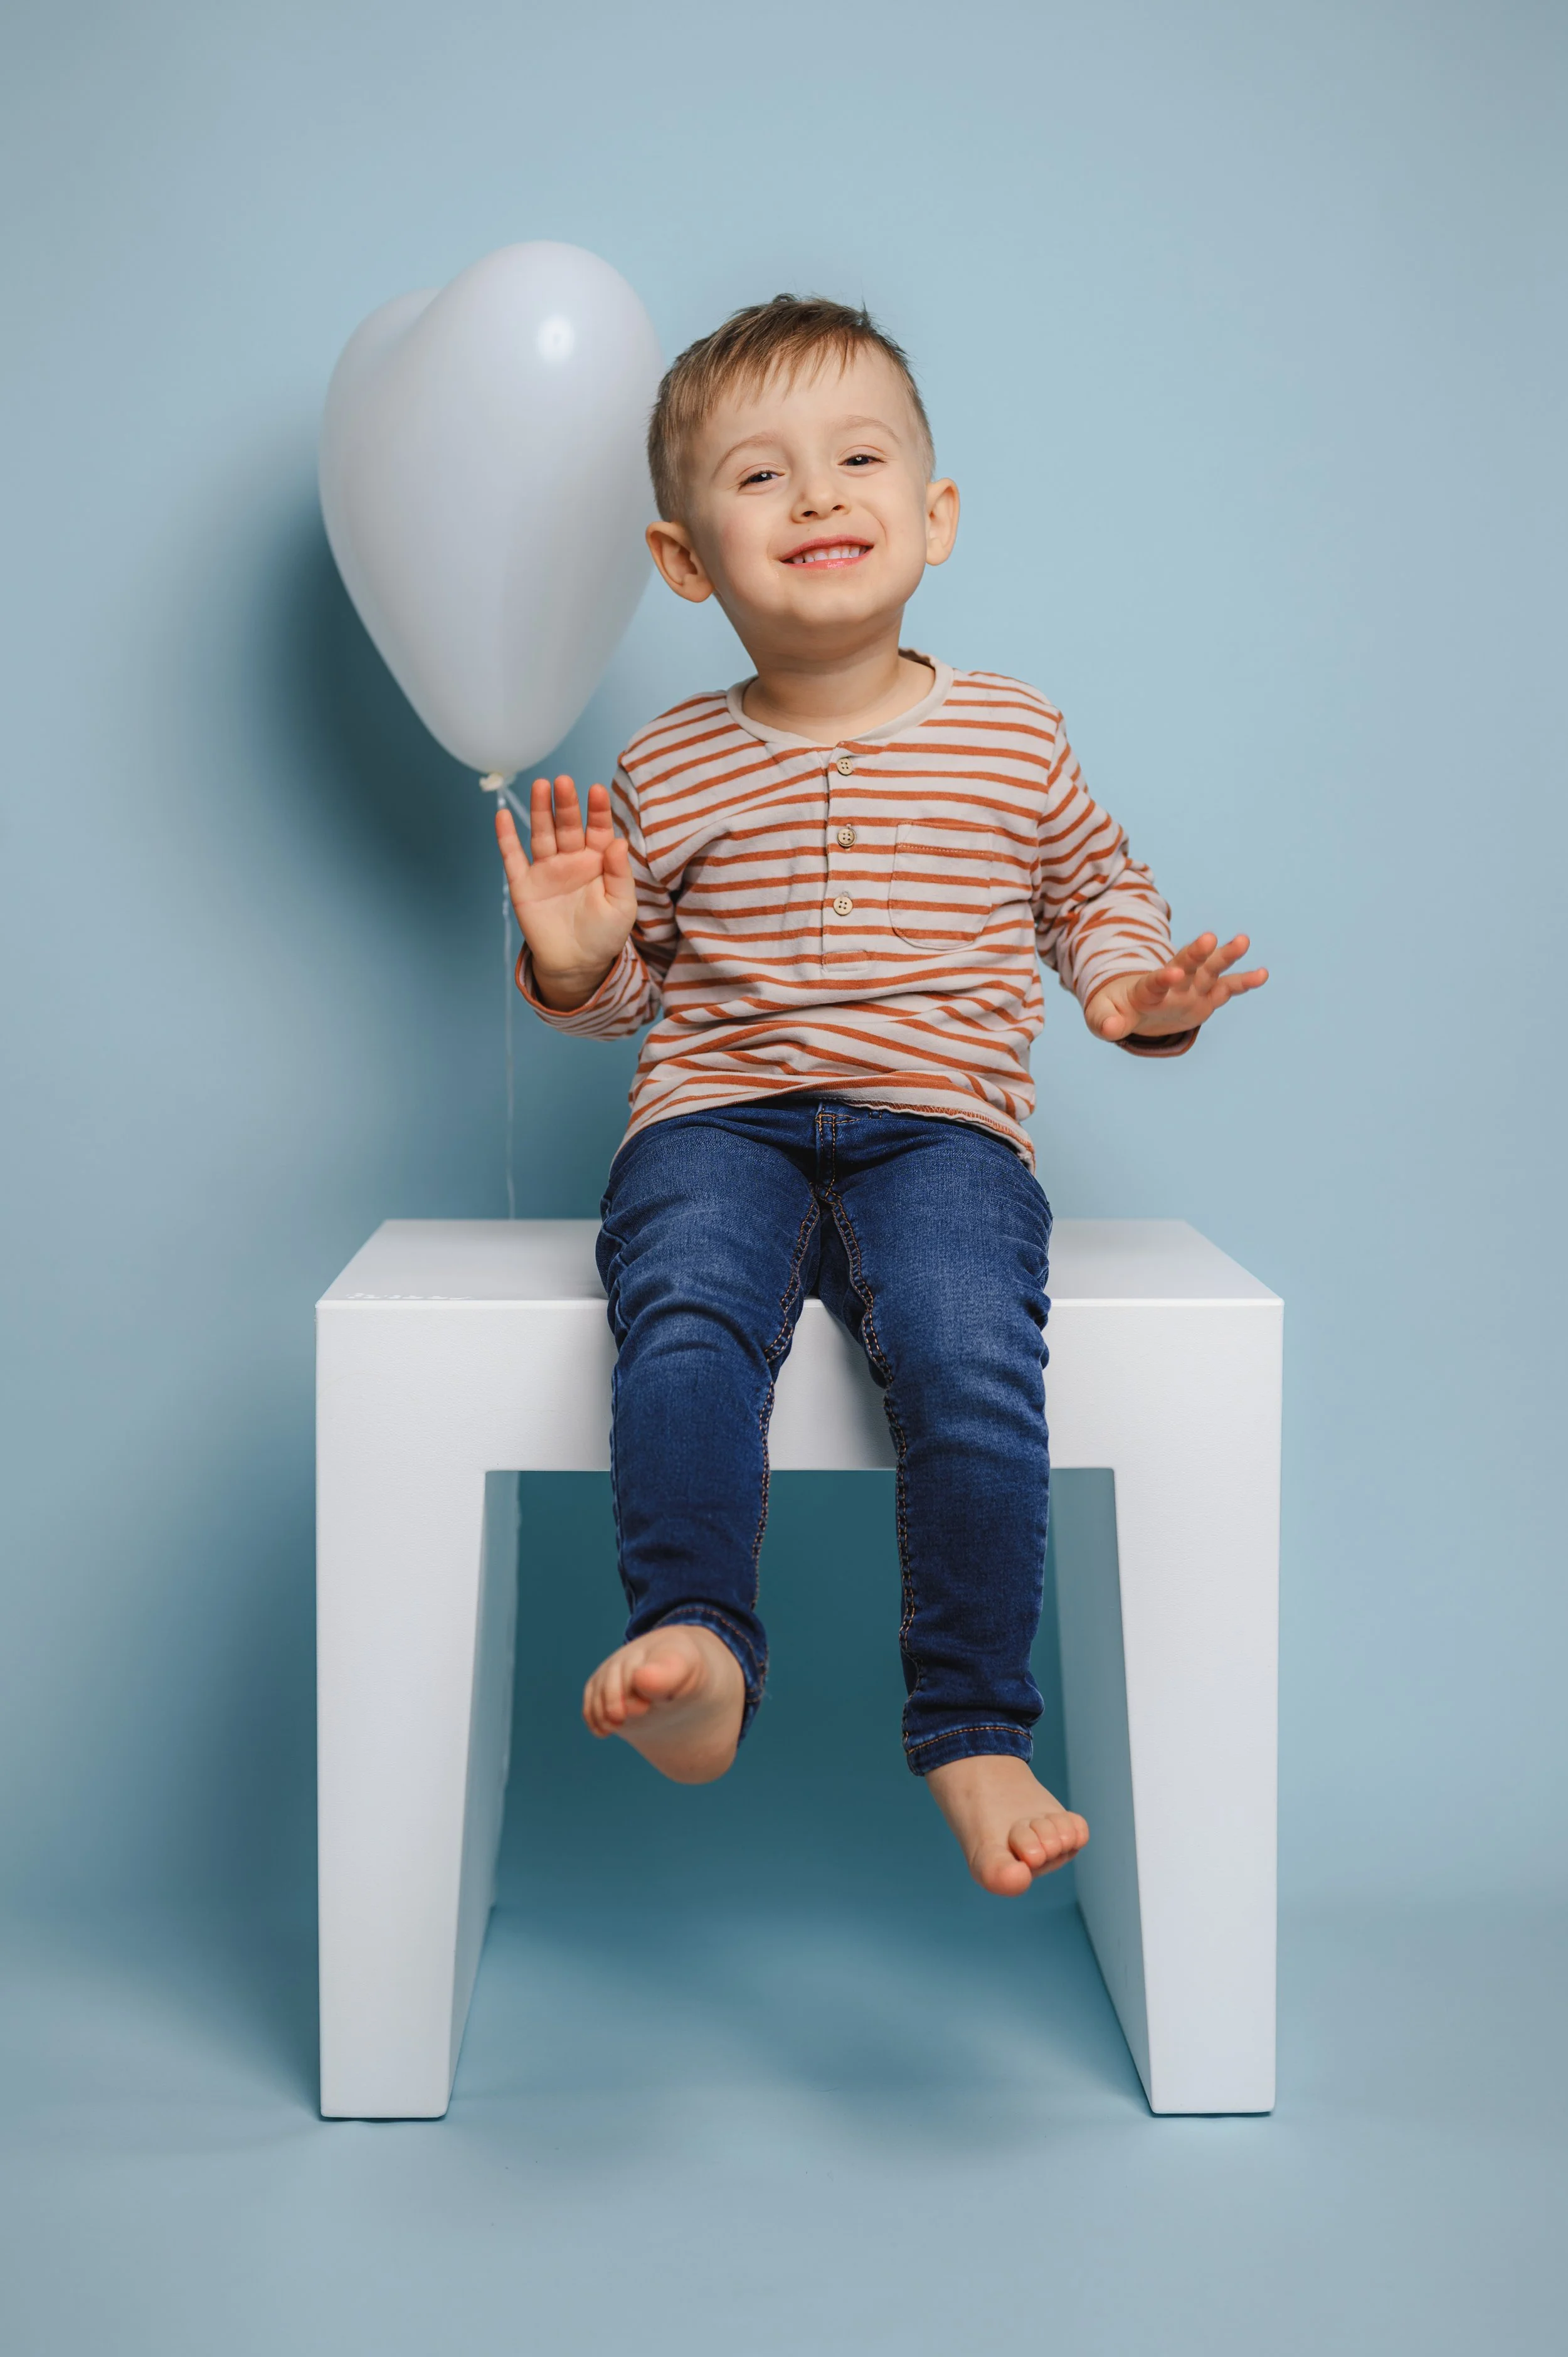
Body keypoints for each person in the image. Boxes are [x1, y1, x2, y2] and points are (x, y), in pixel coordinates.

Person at [494, 297, 1267, 1897]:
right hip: (717, 1120)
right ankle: (693, 1640)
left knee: (969, 1348)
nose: (818, 498)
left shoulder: (1011, 733)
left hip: (942, 1130)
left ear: (933, 515)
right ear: (685, 559)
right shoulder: (668, 762)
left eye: (856, 460)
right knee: (690, 1315)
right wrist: (577, 963)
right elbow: (640, 988)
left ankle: (974, 1723)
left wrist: (1130, 993)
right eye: (760, 478)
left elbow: (1091, 894)